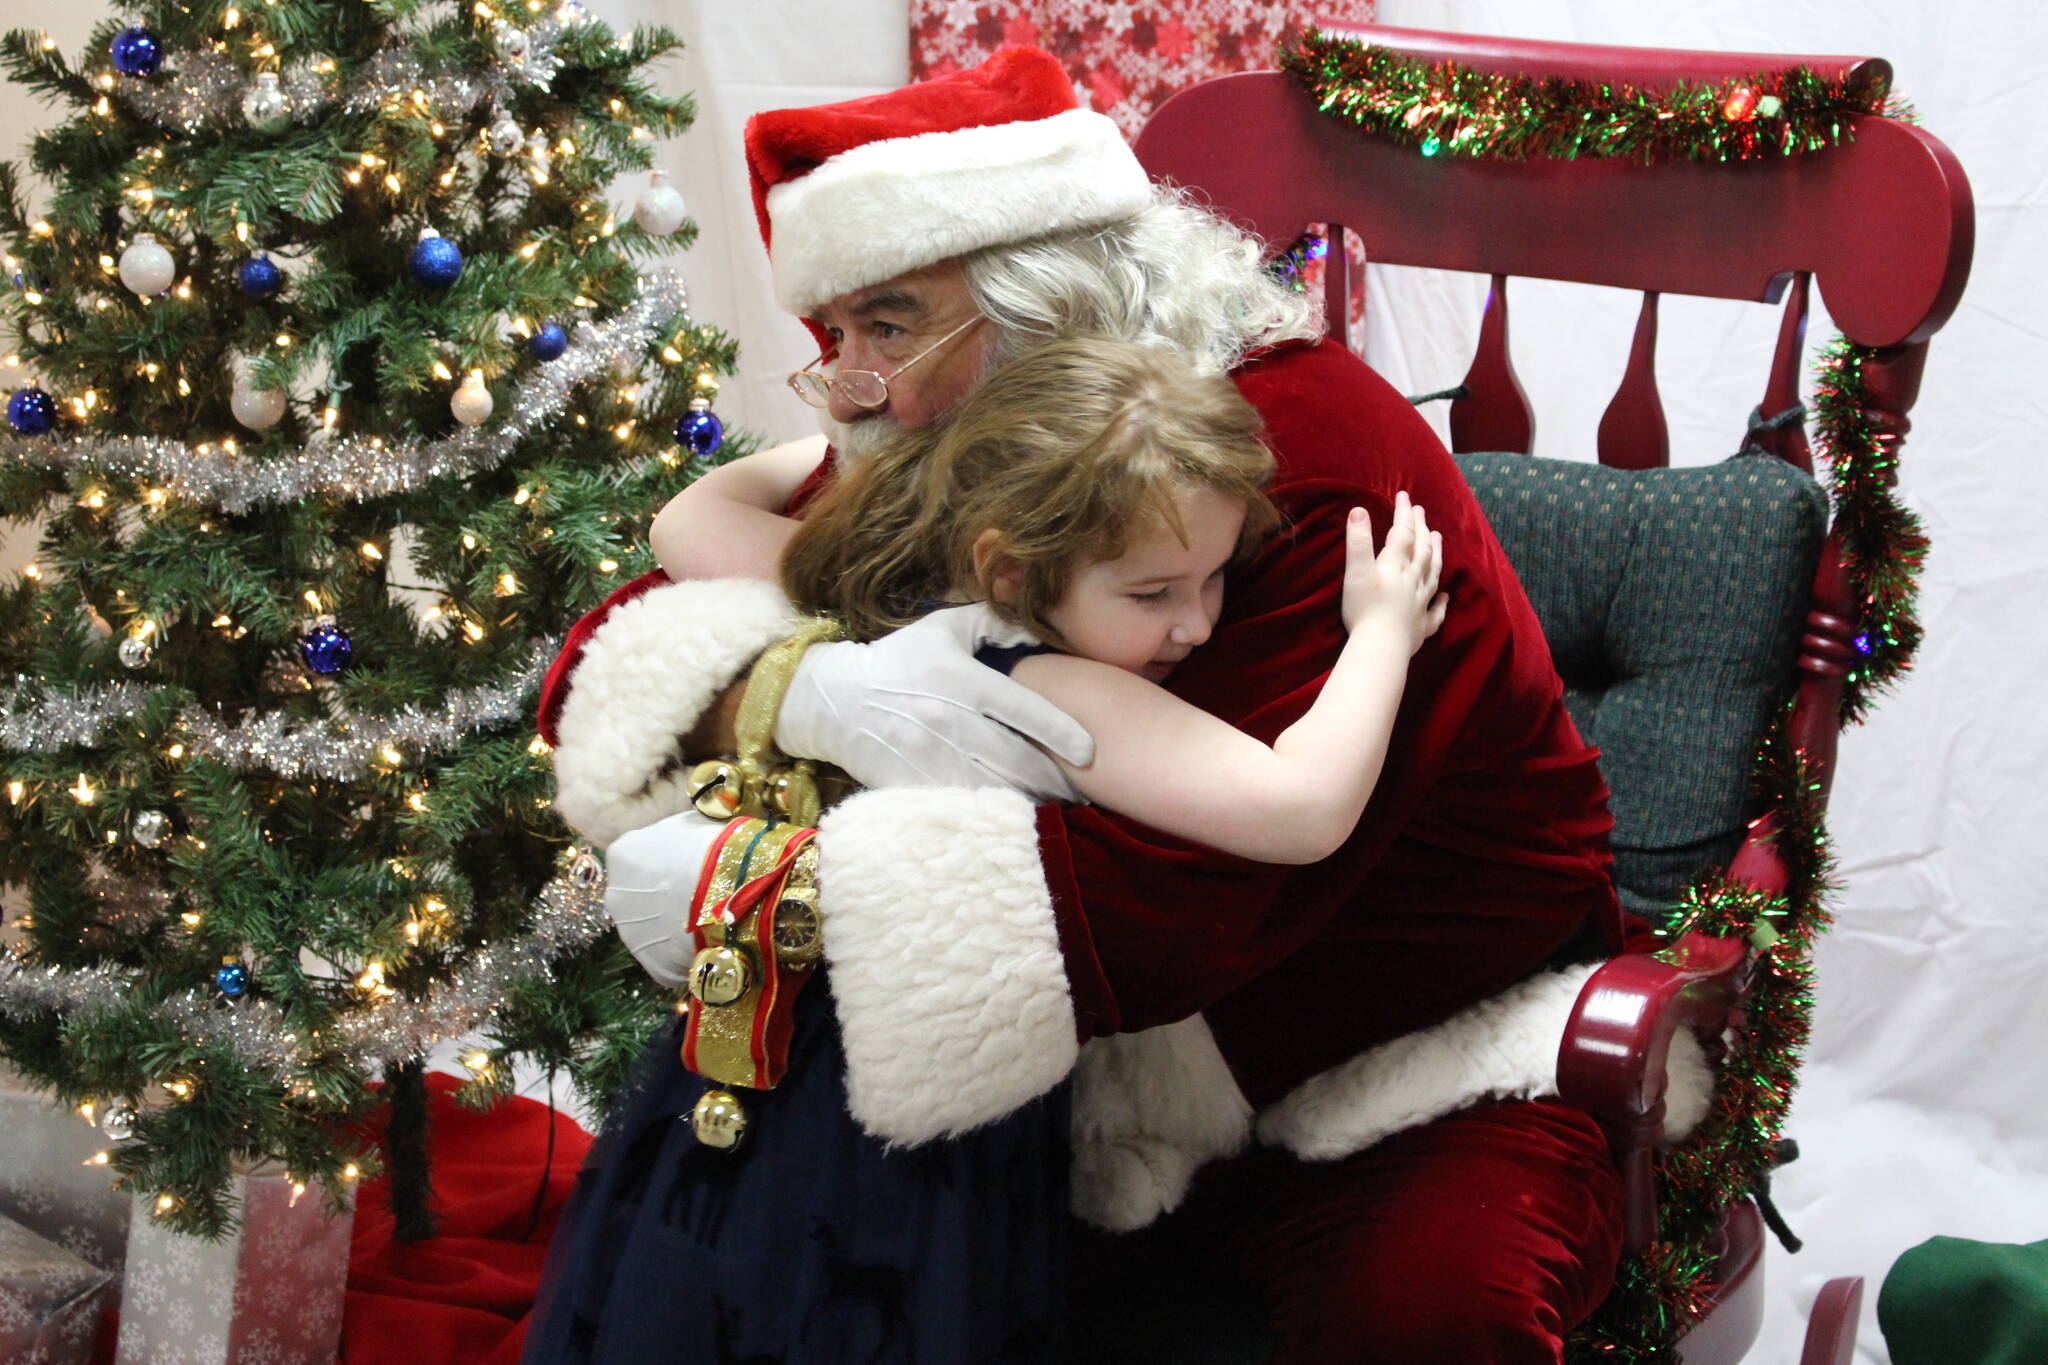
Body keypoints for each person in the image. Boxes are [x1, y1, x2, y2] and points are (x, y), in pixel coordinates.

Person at [538, 46, 1703, 1363]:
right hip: (1118, 1090)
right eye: (835, 337)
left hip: (1414, 1055)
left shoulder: (1270, 459)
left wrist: (765, 881)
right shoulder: (986, 451)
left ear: (1047, 303)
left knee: (1424, 1318)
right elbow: (620, 638)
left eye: (890, 324)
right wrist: (831, 687)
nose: (858, 384)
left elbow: (1176, 900)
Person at [527, 338, 1447, 1363]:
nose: (1193, 624)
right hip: (885, 1112)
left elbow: (683, 519)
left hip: (749, 1046)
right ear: (1010, 568)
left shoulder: (900, 607)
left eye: (1214, 578)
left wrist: (807, 455)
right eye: (1151, 594)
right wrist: (1380, 632)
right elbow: (1302, 807)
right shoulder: (1054, 682)